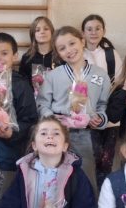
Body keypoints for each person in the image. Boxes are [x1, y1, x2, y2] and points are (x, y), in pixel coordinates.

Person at [36, 26, 111, 195]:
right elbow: (42, 104)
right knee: (55, 180)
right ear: (58, 53)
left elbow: (103, 105)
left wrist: (100, 117)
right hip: (58, 132)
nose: (69, 50)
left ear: (82, 41)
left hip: (86, 134)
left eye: (72, 43)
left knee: (85, 180)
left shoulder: (100, 75)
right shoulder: (53, 76)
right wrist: (51, 118)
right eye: (62, 48)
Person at [0, 33, 38, 194]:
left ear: (14, 56)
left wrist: (12, 133)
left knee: (4, 199)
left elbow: (31, 120)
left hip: (7, 157)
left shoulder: (21, 85)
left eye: (4, 53)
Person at [81, 14, 123, 187]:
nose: (93, 32)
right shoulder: (78, 54)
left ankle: (104, 197)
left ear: (104, 31)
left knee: (107, 162)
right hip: (85, 117)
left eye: (97, 28)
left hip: (110, 115)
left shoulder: (111, 54)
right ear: (82, 33)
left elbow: (119, 82)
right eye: (89, 29)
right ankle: (91, 196)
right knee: (91, 160)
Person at [18, 16, 61, 80]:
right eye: (37, 30)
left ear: (52, 32)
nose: (42, 32)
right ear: (33, 35)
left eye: (46, 29)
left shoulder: (60, 56)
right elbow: (22, 81)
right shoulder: (27, 58)